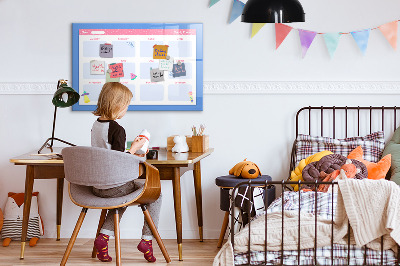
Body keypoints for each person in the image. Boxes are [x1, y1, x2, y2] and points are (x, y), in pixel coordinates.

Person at [91, 82, 161, 263]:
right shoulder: (117, 129)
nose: (127, 109)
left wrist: (130, 149)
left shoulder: (96, 125)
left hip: (97, 186)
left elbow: (108, 154)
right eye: (127, 105)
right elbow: (119, 161)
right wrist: (136, 148)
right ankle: (147, 240)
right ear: (117, 104)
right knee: (156, 194)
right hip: (114, 186)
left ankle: (103, 238)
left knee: (121, 197)